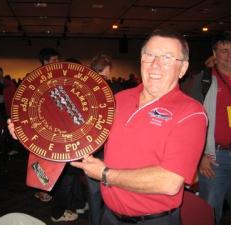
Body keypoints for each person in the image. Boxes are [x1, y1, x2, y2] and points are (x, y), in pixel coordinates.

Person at [71, 29, 208, 225]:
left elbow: (169, 182)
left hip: (153, 221)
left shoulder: (191, 113)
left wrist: (105, 174)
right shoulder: (118, 100)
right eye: (149, 55)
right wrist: (33, 131)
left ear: (183, 68)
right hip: (109, 216)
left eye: (167, 58)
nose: (155, 64)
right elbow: (84, 137)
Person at [8, 48, 80, 222]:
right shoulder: (36, 81)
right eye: (54, 59)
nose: (58, 62)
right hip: (48, 136)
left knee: (61, 173)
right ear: (45, 62)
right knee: (63, 175)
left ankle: (49, 194)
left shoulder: (51, 79)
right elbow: (25, 109)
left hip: (60, 134)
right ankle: (57, 212)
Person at [198, 31, 231, 225]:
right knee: (210, 214)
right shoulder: (204, 80)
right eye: (224, 51)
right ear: (214, 53)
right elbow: (191, 123)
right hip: (215, 160)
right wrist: (200, 156)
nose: (230, 55)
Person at [87, 53, 122, 225]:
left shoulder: (84, 87)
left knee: (94, 194)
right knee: (110, 191)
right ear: (106, 69)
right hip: (108, 148)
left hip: (90, 148)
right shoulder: (112, 89)